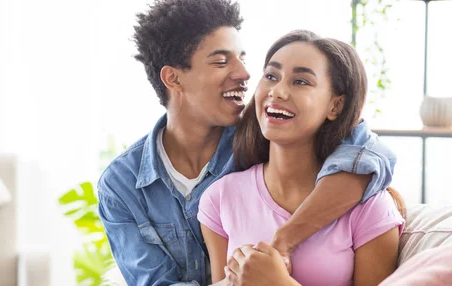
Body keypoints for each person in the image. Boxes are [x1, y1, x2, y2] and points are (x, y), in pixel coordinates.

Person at [97, 0, 397, 285]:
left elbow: (369, 158)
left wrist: (282, 244)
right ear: (173, 79)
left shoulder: (271, 134)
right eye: (220, 61)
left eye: (242, 58)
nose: (244, 74)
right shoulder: (122, 183)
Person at [198, 30, 406, 286]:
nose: (278, 91)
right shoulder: (220, 198)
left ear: (335, 106)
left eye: (301, 82)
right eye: (271, 77)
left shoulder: (370, 208)